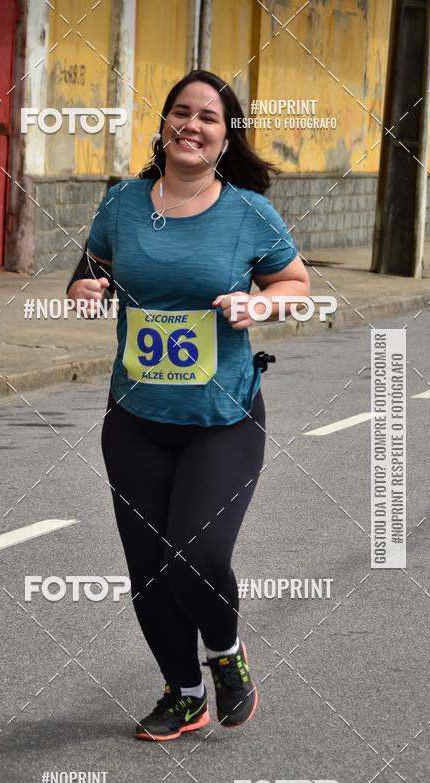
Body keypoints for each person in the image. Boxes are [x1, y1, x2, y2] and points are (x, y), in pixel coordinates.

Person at [66, 70, 310, 742]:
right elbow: (93, 267)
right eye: (181, 112)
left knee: (193, 555)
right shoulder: (122, 203)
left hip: (222, 420)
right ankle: (184, 692)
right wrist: (88, 288)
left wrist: (259, 302)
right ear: (164, 125)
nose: (192, 125)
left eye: (209, 117)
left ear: (225, 136)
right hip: (136, 421)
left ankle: (226, 654)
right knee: (148, 570)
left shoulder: (249, 213)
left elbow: (295, 283)